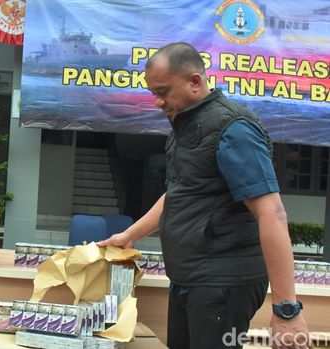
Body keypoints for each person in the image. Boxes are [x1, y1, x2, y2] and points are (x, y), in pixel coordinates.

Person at [98, 43, 310, 349]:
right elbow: (180, 193)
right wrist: (130, 234)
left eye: (163, 91)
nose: (157, 102)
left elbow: (272, 213)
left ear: (195, 82)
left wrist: (287, 310)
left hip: (222, 285)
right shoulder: (185, 127)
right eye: (152, 93)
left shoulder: (233, 129)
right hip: (191, 279)